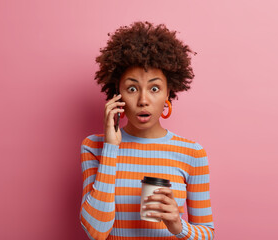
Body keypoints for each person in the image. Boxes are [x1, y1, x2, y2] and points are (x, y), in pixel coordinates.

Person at [79, 21, 215, 240]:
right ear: (118, 94)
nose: (143, 100)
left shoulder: (192, 153)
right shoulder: (94, 147)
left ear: (168, 92)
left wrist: (178, 225)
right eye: (132, 89)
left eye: (154, 88)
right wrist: (111, 148)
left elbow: (208, 234)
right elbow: (96, 231)